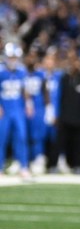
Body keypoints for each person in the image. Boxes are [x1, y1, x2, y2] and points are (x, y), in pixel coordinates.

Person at [0, 42, 32, 177]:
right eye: (11, 57)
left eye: (15, 57)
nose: (13, 60)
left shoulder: (22, 71)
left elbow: (25, 90)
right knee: (1, 138)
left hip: (18, 108)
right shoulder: (1, 71)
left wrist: (29, 104)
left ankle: (23, 166)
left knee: (21, 137)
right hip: (4, 110)